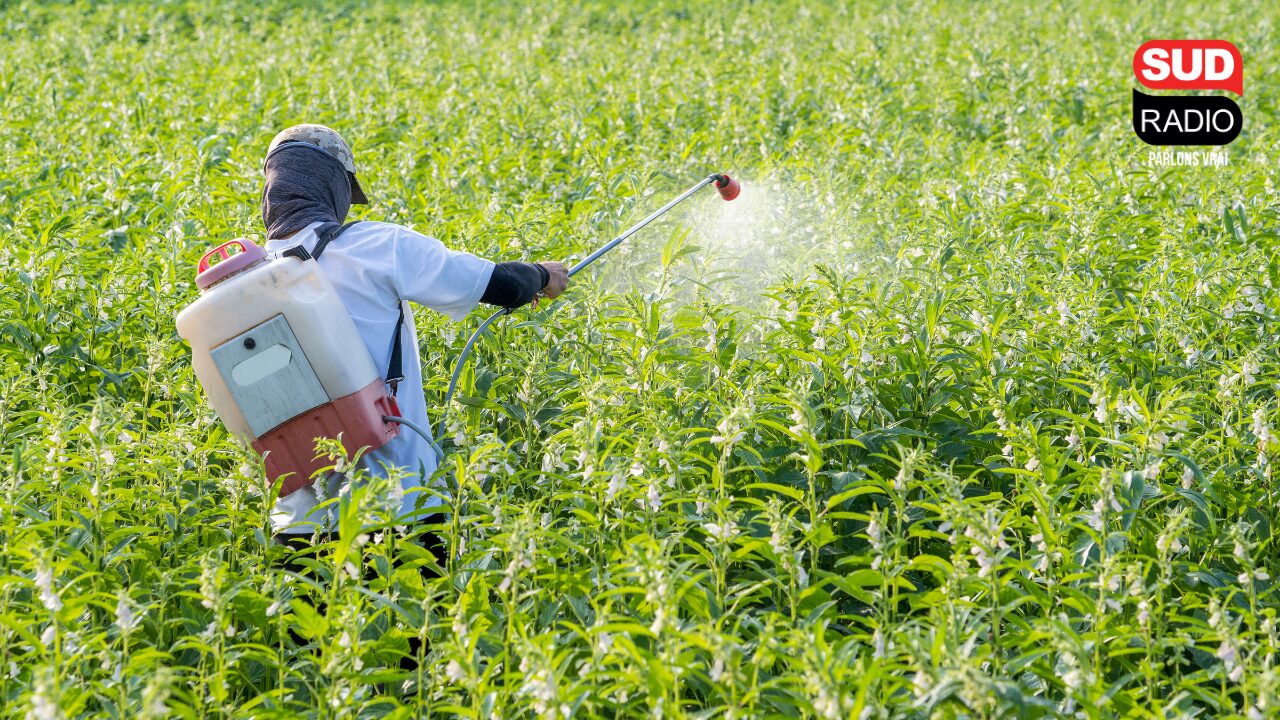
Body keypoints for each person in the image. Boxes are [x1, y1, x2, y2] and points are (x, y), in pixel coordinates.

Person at [259, 124, 568, 547]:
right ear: (332, 184)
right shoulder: (374, 245)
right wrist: (541, 275)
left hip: (299, 526)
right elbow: (500, 285)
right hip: (397, 507)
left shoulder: (242, 280)